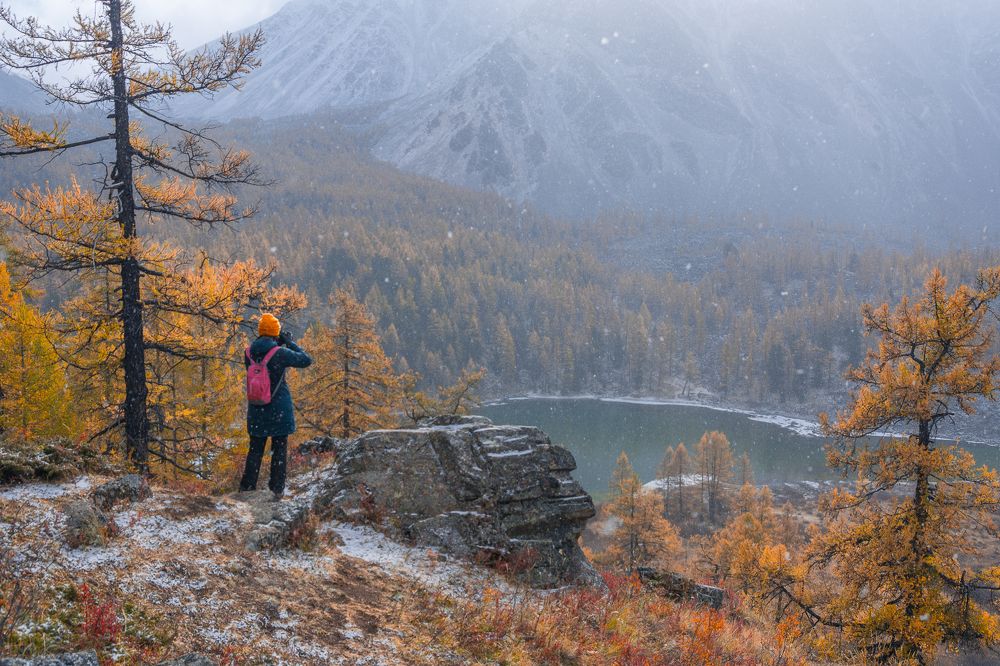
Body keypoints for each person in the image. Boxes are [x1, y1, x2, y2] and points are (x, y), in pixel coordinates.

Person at [240, 313, 312, 498]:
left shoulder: (248, 353)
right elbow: (306, 360)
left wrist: (277, 343)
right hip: (278, 410)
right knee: (278, 451)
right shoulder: (280, 353)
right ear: (275, 332)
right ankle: (276, 489)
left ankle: (247, 488)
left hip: (256, 410)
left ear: (260, 331)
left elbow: (265, 358)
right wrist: (289, 342)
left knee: (255, 450)